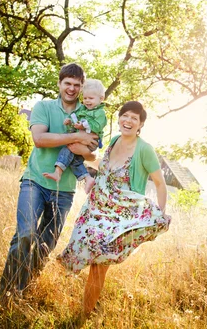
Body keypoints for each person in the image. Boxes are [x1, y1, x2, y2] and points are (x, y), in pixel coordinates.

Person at [58, 100, 171, 315]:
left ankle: (83, 315)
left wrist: (159, 213)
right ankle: (90, 308)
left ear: (140, 125)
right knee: (86, 254)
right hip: (97, 208)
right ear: (119, 119)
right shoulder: (115, 140)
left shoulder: (145, 149)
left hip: (119, 217)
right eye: (125, 116)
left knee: (99, 266)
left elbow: (160, 183)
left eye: (134, 118)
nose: (128, 121)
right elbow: (103, 164)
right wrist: (84, 153)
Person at [0, 63, 99, 297]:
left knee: (46, 244)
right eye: (68, 83)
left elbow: (93, 153)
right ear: (59, 83)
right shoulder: (43, 107)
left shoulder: (88, 114)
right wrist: (76, 137)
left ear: (82, 87)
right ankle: (6, 290)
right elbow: (39, 139)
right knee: (25, 234)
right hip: (34, 181)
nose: (72, 89)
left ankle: (22, 289)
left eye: (77, 85)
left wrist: (83, 147)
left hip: (64, 190)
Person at [43, 79, 107, 194]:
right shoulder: (83, 109)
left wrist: (83, 125)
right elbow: (76, 121)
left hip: (91, 141)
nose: (87, 101)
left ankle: (58, 172)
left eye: (91, 98)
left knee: (67, 149)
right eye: (85, 98)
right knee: (75, 160)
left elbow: (97, 126)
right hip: (81, 139)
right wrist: (71, 122)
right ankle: (87, 178)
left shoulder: (100, 113)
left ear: (101, 98)